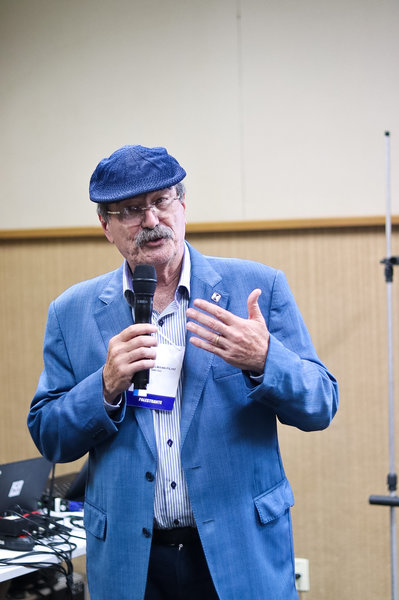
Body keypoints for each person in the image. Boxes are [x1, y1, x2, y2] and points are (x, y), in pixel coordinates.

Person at [28, 144, 338, 600]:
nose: (151, 219)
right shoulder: (71, 312)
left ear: (183, 205)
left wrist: (264, 359)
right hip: (132, 562)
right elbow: (49, 436)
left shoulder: (257, 288)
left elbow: (320, 404)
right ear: (106, 225)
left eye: (161, 201)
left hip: (238, 551)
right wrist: (105, 386)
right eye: (132, 210)